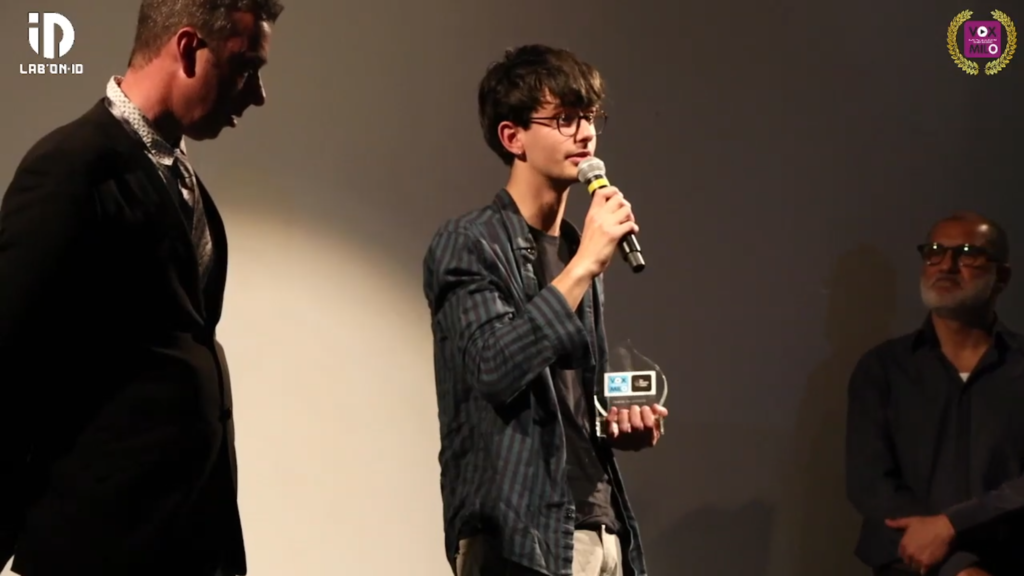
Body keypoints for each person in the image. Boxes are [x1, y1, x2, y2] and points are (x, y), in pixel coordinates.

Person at [0, 1, 282, 574]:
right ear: (188, 49)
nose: (258, 95)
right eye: (246, 68)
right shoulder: (68, 170)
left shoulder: (182, 179)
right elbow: (7, 372)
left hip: (188, 547)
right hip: (97, 551)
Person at [422, 44, 668, 576]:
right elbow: (494, 368)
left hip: (602, 528)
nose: (585, 134)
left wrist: (618, 425)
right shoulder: (469, 243)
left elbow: (568, 403)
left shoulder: (577, 247)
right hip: (522, 536)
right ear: (513, 137)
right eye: (564, 119)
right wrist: (583, 267)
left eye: (589, 117)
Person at [845, 212, 1024, 576]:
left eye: (968, 253)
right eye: (935, 252)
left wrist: (951, 525)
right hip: (912, 566)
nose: (946, 265)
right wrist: (958, 566)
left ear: (1001, 277)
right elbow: (870, 483)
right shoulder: (884, 367)